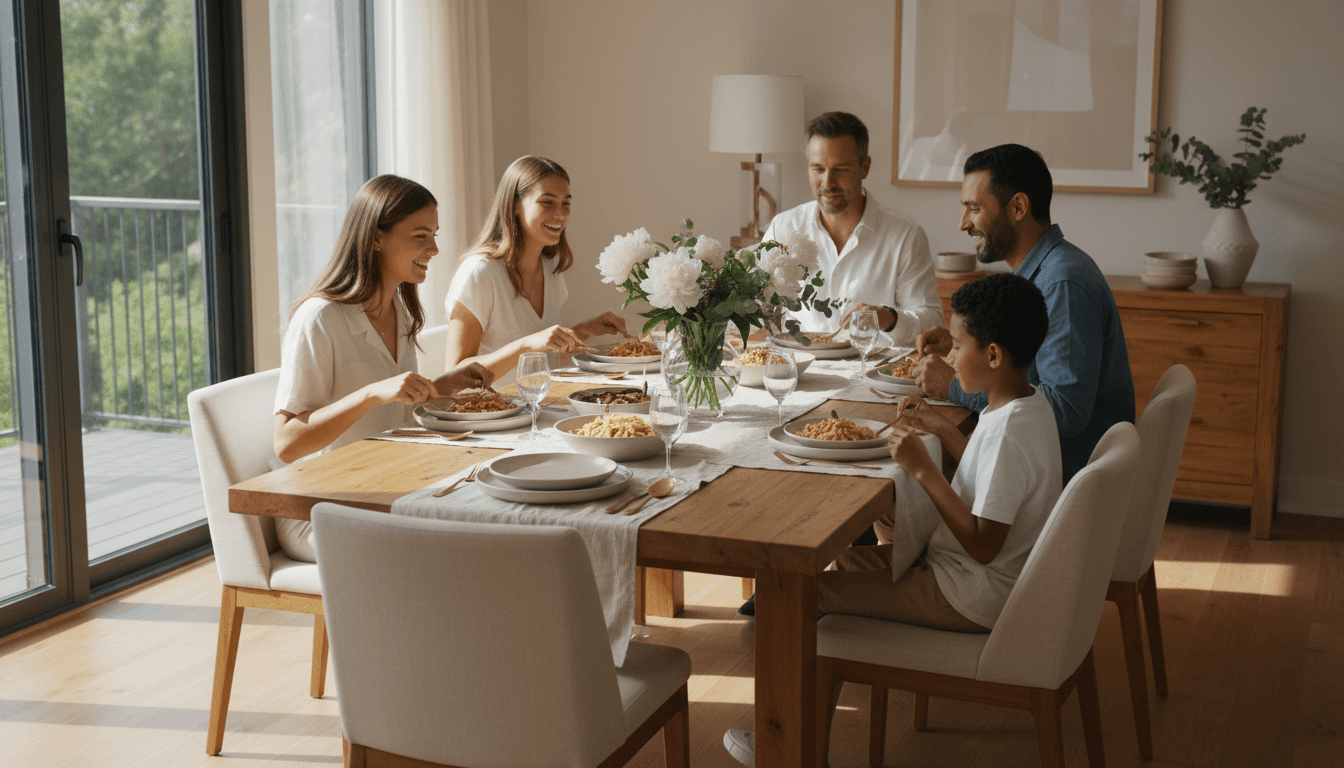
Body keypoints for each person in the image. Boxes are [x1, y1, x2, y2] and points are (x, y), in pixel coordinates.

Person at [724, 272, 1062, 768]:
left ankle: (785, 747)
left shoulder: (1008, 433)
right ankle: (807, 731)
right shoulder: (1024, 407)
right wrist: (945, 430)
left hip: (970, 591)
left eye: (958, 346)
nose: (946, 360)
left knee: (797, 594)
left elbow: (984, 543)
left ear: (993, 355)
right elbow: (993, 480)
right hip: (977, 579)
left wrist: (926, 471)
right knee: (844, 566)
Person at [273, 174, 493, 562]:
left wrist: (441, 385)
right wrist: (373, 393)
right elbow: (288, 444)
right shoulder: (320, 318)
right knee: (455, 549)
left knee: (495, 518)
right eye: (421, 236)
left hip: (389, 487)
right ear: (376, 238)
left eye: (435, 235)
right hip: (322, 507)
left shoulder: (400, 309)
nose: (435, 248)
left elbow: (393, 408)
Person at [914, 143, 1134, 482]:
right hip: (1039, 460)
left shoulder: (1062, 283)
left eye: (974, 208)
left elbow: (1067, 411)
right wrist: (960, 349)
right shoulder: (1046, 270)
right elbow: (1024, 367)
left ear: (1018, 207)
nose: (962, 224)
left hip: (1057, 480)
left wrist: (956, 388)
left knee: (903, 490)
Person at [761, 111, 942, 346]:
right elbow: (756, 304)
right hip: (798, 370)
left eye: (841, 169)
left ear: (864, 167)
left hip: (872, 373)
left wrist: (889, 318)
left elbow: (932, 322)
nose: (827, 183)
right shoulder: (783, 227)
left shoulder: (905, 235)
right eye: (818, 169)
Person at [444, 155, 627, 381]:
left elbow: (542, 359)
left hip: (539, 406)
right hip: (493, 411)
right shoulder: (480, 273)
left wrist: (585, 330)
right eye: (547, 202)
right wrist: (526, 344)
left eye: (566, 203)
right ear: (514, 206)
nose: (560, 214)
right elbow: (454, 374)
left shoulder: (550, 269)